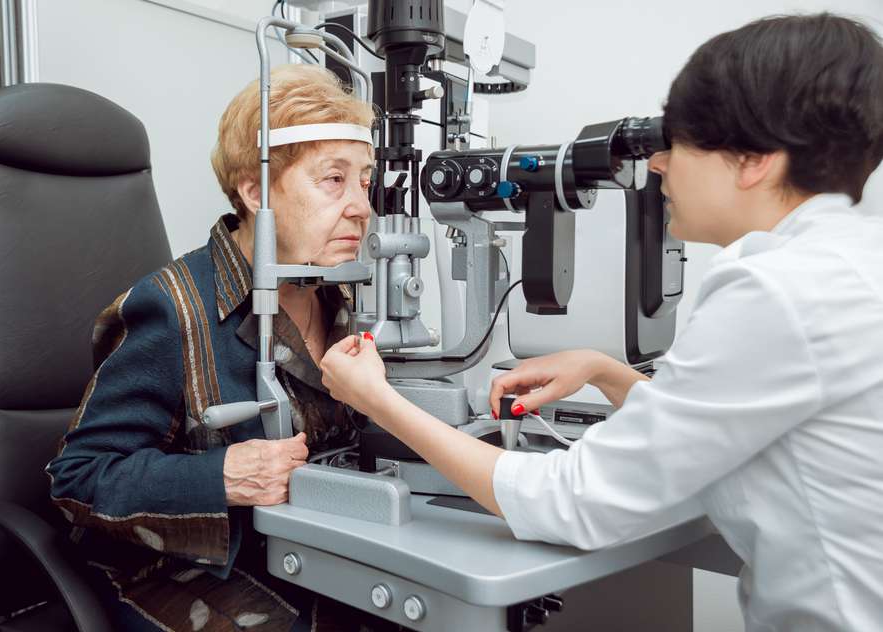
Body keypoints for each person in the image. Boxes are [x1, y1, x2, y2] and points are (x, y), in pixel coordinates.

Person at [320, 13, 883, 631]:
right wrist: (606, 372)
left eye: (680, 145)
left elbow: (571, 504)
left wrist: (379, 402)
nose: (660, 166)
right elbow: (725, 423)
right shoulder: (848, 263)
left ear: (753, 160)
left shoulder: (776, 291)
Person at [47, 64, 390, 631]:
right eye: (334, 179)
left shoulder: (340, 298)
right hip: (181, 569)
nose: (361, 206)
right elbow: (78, 478)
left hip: (308, 555)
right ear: (254, 191)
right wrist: (220, 475)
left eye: (364, 180)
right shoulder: (173, 308)